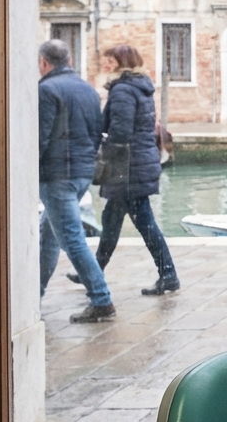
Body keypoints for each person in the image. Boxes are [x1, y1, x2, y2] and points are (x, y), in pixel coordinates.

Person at [82, 45, 179, 296]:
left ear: (121, 62)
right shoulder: (139, 87)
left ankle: (168, 275)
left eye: (110, 60)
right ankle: (93, 271)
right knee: (112, 220)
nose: (105, 64)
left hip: (128, 168)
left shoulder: (123, 90)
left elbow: (121, 132)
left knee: (143, 223)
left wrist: (102, 154)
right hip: (137, 163)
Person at [37, 39, 115, 323]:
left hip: (57, 175)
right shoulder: (88, 89)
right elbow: (97, 133)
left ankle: (101, 299)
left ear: (44, 63)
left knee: (71, 238)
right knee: (49, 235)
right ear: (69, 60)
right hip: (83, 173)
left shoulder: (46, 89)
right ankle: (33, 295)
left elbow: (40, 137)